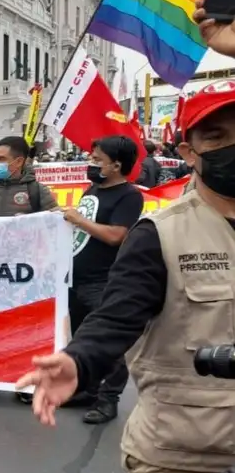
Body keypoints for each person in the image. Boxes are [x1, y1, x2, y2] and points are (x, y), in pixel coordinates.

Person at [15, 79, 235, 473]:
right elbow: (116, 317)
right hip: (185, 465)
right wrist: (78, 359)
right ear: (188, 152)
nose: (232, 146)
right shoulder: (160, 235)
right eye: (216, 137)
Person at [60, 135, 144, 425]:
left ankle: (109, 399)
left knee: (109, 342)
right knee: (83, 338)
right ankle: (88, 390)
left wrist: (78, 220)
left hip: (103, 281)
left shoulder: (129, 196)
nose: (91, 164)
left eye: (97, 160)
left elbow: (116, 236)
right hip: (77, 277)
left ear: (117, 165)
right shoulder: (92, 189)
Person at [0, 136, 56, 400]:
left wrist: (31, 222)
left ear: (18, 161)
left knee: (25, 328)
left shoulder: (37, 191)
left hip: (26, 272)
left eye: (0, 159)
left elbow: (56, 222)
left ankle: (27, 383)